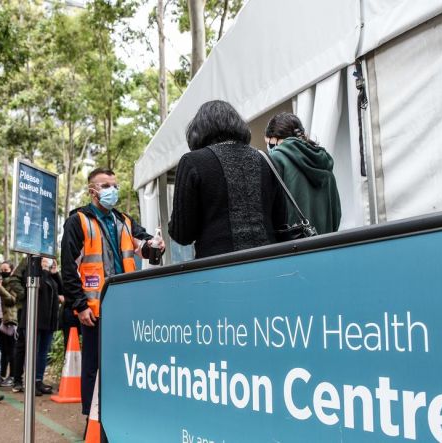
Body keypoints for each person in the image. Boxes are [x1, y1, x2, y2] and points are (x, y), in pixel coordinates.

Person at [61, 167, 164, 415]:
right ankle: (92, 416)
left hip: (124, 307)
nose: (113, 190)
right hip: (95, 308)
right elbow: (68, 267)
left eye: (115, 185)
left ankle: (117, 413)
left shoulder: (124, 221)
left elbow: (145, 248)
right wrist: (80, 304)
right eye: (106, 186)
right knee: (93, 364)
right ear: (93, 190)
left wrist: (155, 245)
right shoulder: (78, 221)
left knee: (122, 362)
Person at [168, 100, 288, 259]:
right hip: (268, 263)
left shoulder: (192, 162)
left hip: (217, 269)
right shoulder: (265, 159)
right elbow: (281, 222)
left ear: (198, 131)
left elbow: (182, 234)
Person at [264, 112, 341, 234]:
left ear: (275, 140)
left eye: (268, 142)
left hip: (293, 249)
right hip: (327, 247)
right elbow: (336, 218)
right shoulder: (324, 162)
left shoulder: (276, 159)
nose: (268, 147)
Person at [8, 257, 61, 395]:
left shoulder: (51, 264)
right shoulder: (30, 261)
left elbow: (61, 289)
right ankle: (28, 382)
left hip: (49, 318)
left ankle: (38, 381)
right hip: (32, 314)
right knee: (31, 350)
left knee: (43, 351)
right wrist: (26, 295)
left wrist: (55, 272)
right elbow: (13, 279)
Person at [0, 261, 18, 387]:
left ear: (11, 270)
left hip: (11, 321)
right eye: (1, 270)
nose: (3, 272)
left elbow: (12, 300)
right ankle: (2, 375)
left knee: (12, 349)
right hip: (0, 321)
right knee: (3, 350)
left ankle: (13, 376)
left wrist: (0, 289)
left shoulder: (14, 284)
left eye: (6, 269)